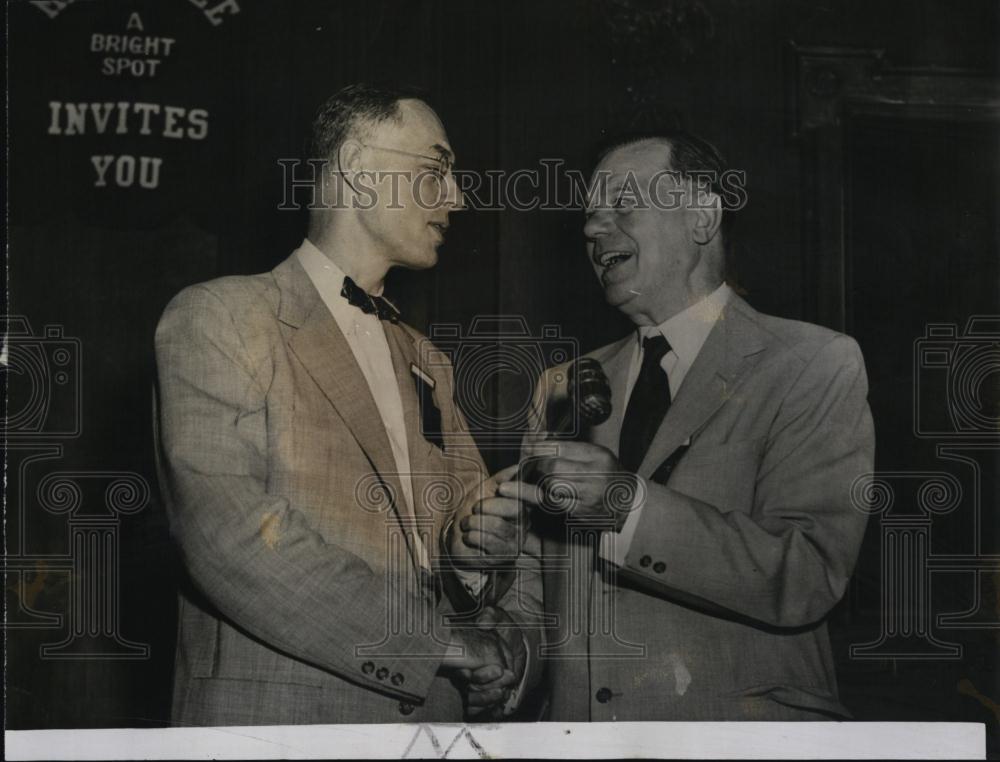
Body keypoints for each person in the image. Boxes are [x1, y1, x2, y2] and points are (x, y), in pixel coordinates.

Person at [154, 84, 541, 726]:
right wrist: (437, 643)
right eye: (437, 169)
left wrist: (470, 560)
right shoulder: (220, 316)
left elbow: (457, 571)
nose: (457, 197)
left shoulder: (429, 362)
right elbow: (227, 533)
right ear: (361, 170)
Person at [488, 132, 874, 720]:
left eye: (622, 205)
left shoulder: (813, 363)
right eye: (589, 216)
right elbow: (536, 590)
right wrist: (503, 653)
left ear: (701, 217)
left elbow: (807, 572)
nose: (594, 231)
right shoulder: (561, 386)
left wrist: (627, 508)